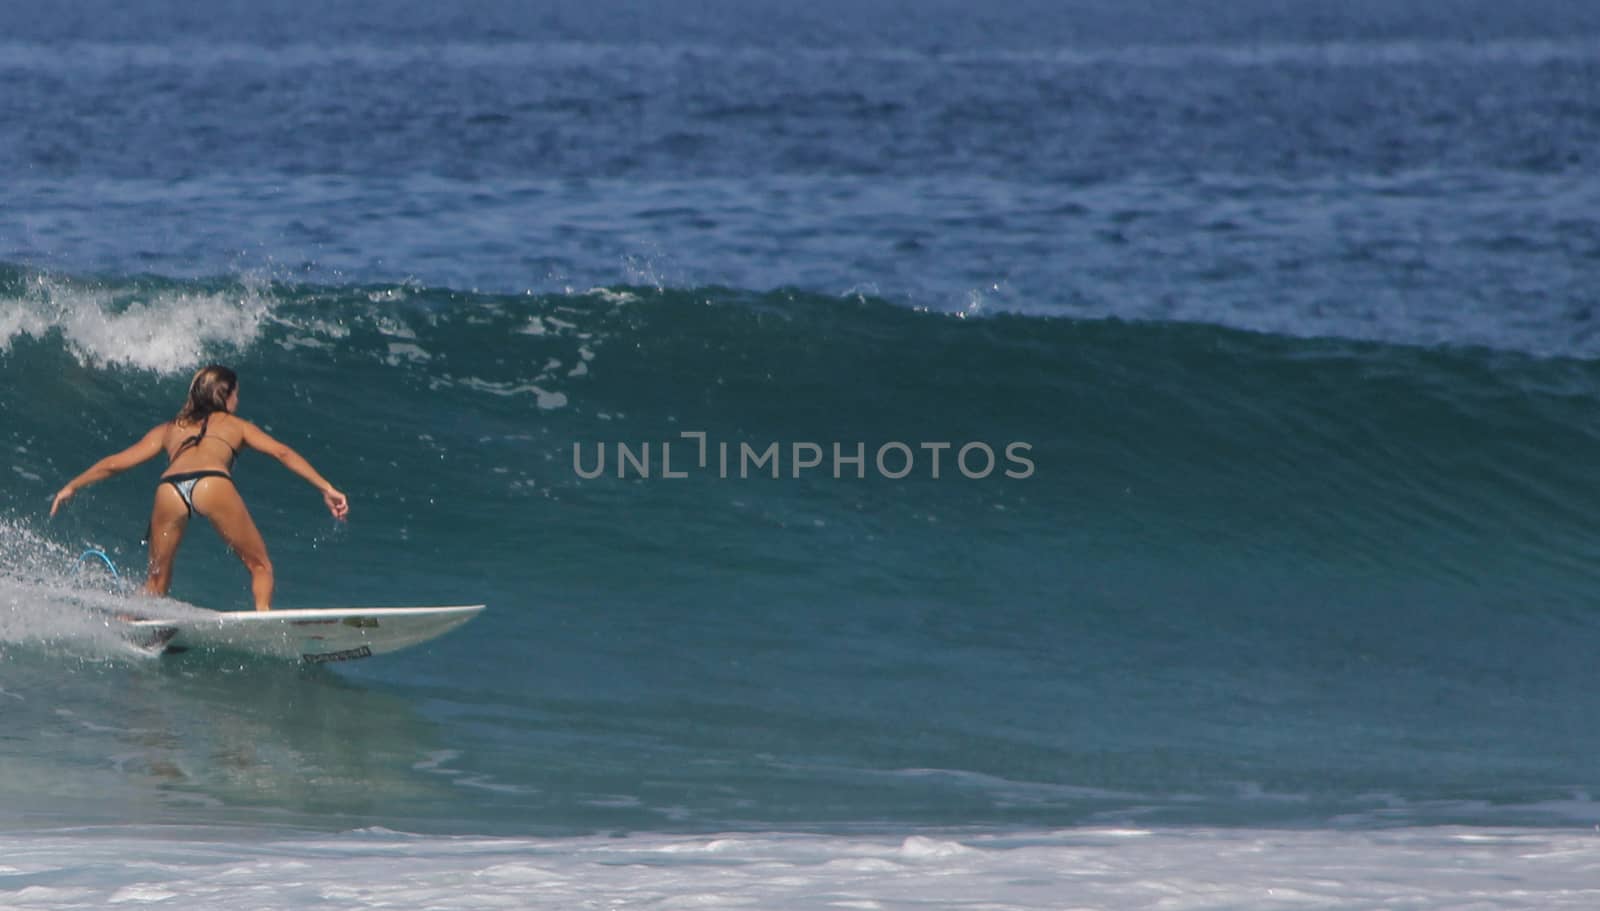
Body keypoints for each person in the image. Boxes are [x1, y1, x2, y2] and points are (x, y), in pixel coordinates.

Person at [49, 365, 349, 611]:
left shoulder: (169, 429)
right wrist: (326, 487)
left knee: (156, 581)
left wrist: (72, 485)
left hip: (169, 489)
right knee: (260, 565)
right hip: (211, 482)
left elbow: (116, 463)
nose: (238, 401)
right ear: (225, 395)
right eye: (236, 395)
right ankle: (263, 616)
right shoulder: (238, 425)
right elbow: (282, 453)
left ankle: (128, 623)